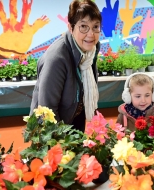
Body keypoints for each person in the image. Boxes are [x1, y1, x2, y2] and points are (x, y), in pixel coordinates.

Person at [30, 0, 102, 132]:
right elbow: (47, 109)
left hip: (74, 121)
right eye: (83, 26)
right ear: (71, 27)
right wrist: (62, 142)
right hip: (50, 129)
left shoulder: (90, 51)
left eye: (95, 27)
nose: (91, 34)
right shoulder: (57, 58)